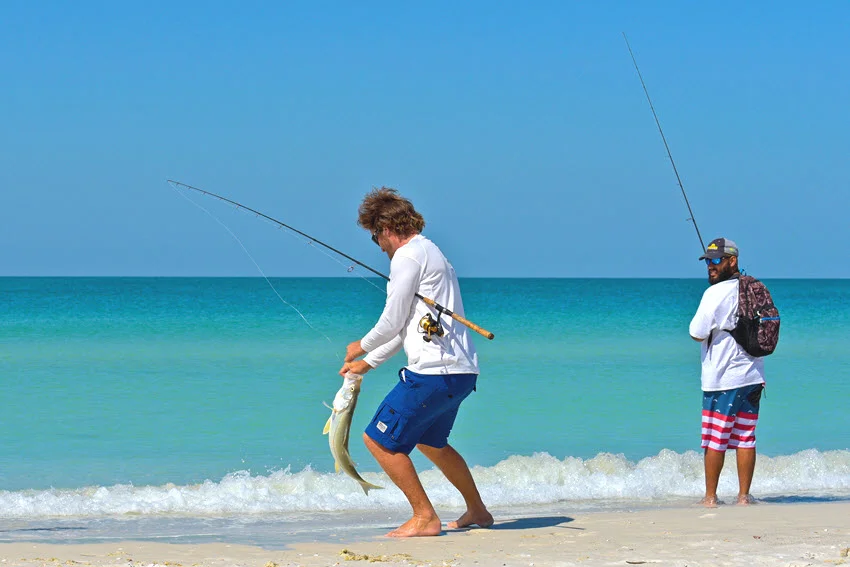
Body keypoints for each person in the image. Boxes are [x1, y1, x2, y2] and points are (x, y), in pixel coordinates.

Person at [339, 187, 493, 537]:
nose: (378, 245)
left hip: (432, 375)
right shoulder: (432, 251)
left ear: (386, 228)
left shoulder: (407, 258)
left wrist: (358, 345)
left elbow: (391, 322)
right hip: (461, 372)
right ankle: (478, 510)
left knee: (377, 441)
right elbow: (407, 326)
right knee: (430, 442)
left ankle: (425, 517)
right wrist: (368, 363)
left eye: (375, 236)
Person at [689, 237, 766, 507]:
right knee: (746, 437)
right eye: (708, 261)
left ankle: (710, 497)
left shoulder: (714, 294)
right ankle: (743, 497)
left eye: (716, 260)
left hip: (722, 378)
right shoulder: (754, 288)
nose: (710, 266)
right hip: (753, 377)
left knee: (715, 438)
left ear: (732, 261)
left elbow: (696, 332)